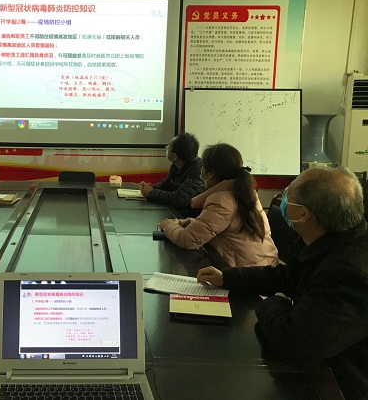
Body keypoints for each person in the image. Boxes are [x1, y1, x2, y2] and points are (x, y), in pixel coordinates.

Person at [197, 166, 368, 400]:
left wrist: (273, 302)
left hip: (340, 384)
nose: (283, 198)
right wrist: (227, 277)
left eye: (288, 195)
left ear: (303, 214)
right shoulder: (332, 238)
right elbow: (287, 276)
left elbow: (294, 342)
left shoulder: (349, 273)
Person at [158, 143, 278, 267]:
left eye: (203, 167)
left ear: (211, 173)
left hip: (249, 272)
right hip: (264, 265)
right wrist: (188, 222)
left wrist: (168, 226)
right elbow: (222, 226)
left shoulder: (222, 201)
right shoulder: (245, 192)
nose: (201, 170)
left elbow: (188, 240)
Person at [138, 132, 206, 217]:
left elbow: (179, 198)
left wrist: (151, 192)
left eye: (168, 147)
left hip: (187, 218)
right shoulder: (176, 165)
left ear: (174, 156)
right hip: (174, 213)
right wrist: (150, 187)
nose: (166, 148)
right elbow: (166, 184)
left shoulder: (198, 171)